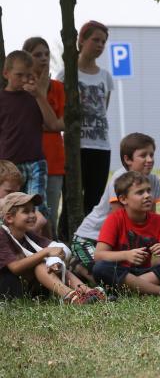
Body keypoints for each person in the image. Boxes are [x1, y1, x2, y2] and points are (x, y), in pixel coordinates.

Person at [71, 132, 160, 280]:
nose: (150, 160)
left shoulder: (153, 180)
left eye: (152, 155)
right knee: (103, 273)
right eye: (143, 155)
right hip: (89, 239)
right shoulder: (119, 180)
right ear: (127, 159)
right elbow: (122, 222)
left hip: (116, 242)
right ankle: (78, 267)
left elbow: (151, 219)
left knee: (125, 273)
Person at [92, 171, 160, 297]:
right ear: (123, 199)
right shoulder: (114, 219)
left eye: (149, 191)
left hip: (143, 273)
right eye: (140, 192)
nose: (147, 196)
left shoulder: (159, 221)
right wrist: (126, 255)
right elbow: (98, 255)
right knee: (100, 268)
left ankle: (126, 291)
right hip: (121, 271)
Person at [0, 51, 64, 238]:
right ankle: (17, 249)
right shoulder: (2, 99)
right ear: (6, 74)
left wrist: (39, 96)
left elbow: (52, 124)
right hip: (10, 164)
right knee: (12, 208)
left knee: (38, 208)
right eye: (18, 75)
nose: (23, 79)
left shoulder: (34, 97)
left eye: (28, 76)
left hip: (36, 161)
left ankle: (49, 247)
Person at [0, 192, 103, 303]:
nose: (33, 215)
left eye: (33, 210)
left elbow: (57, 248)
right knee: (40, 264)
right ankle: (70, 296)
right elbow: (15, 267)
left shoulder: (28, 235)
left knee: (49, 265)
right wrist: (46, 253)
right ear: (9, 218)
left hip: (27, 286)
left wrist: (55, 261)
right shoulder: (2, 234)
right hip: (6, 288)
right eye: (26, 211)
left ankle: (88, 292)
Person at [57, 20, 113, 219]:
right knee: (72, 198)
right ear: (81, 40)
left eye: (103, 42)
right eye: (95, 40)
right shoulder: (66, 74)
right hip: (75, 147)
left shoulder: (105, 77)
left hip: (100, 147)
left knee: (94, 201)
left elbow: (103, 109)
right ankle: (66, 238)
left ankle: (88, 244)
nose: (100, 45)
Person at [23, 37, 65, 238]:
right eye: (37, 54)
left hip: (54, 160)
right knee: (24, 214)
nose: (44, 58)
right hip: (26, 159)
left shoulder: (58, 88)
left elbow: (58, 124)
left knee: (49, 216)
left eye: (47, 54)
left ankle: (53, 255)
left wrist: (41, 94)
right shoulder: (21, 90)